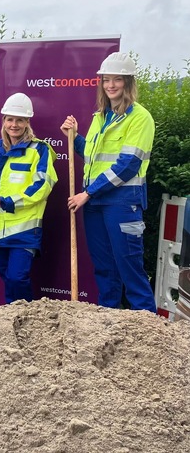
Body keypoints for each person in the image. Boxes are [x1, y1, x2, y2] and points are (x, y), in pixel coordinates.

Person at [60, 52, 156, 312]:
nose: (111, 85)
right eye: (106, 80)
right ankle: (108, 323)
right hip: (95, 203)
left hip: (122, 203)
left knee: (130, 269)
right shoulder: (100, 117)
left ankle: (148, 332)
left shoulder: (140, 118)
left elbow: (128, 165)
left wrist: (88, 193)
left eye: (117, 79)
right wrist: (75, 137)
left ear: (128, 82)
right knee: (104, 269)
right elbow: (92, 157)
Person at [0, 93, 57, 304]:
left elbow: (43, 186)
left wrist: (7, 201)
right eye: (10, 119)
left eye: (20, 120)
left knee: (17, 278)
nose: (14, 124)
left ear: (27, 123)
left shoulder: (38, 150)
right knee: (7, 278)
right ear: (4, 121)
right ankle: (10, 318)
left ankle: (28, 316)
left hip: (25, 230)